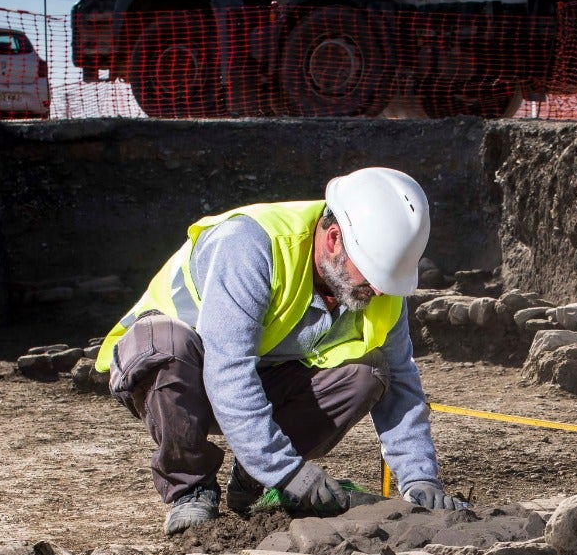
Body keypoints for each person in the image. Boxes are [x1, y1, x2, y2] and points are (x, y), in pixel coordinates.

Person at [95, 167, 468, 535]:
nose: (381, 291)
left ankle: (251, 482)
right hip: (179, 374)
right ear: (334, 238)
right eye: (372, 274)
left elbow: (401, 380)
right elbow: (228, 369)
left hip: (261, 383)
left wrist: (420, 480)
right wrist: (287, 470)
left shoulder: (377, 286)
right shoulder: (250, 244)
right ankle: (190, 489)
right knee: (169, 346)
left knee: (368, 375)